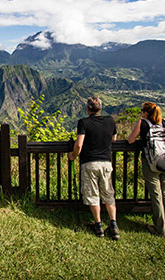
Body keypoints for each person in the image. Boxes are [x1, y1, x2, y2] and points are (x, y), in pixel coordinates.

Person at [127, 102, 165, 237]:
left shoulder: (143, 123)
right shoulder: (164, 122)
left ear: (146, 113)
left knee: (156, 195)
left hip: (151, 163)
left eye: (142, 111)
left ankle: (159, 228)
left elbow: (130, 140)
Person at [68, 96, 119, 240]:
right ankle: (113, 225)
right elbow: (114, 138)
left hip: (89, 163)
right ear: (100, 108)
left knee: (93, 195)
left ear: (88, 109)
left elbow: (79, 144)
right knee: (108, 194)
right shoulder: (110, 120)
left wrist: (73, 155)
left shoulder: (84, 122)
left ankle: (98, 226)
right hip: (106, 163)